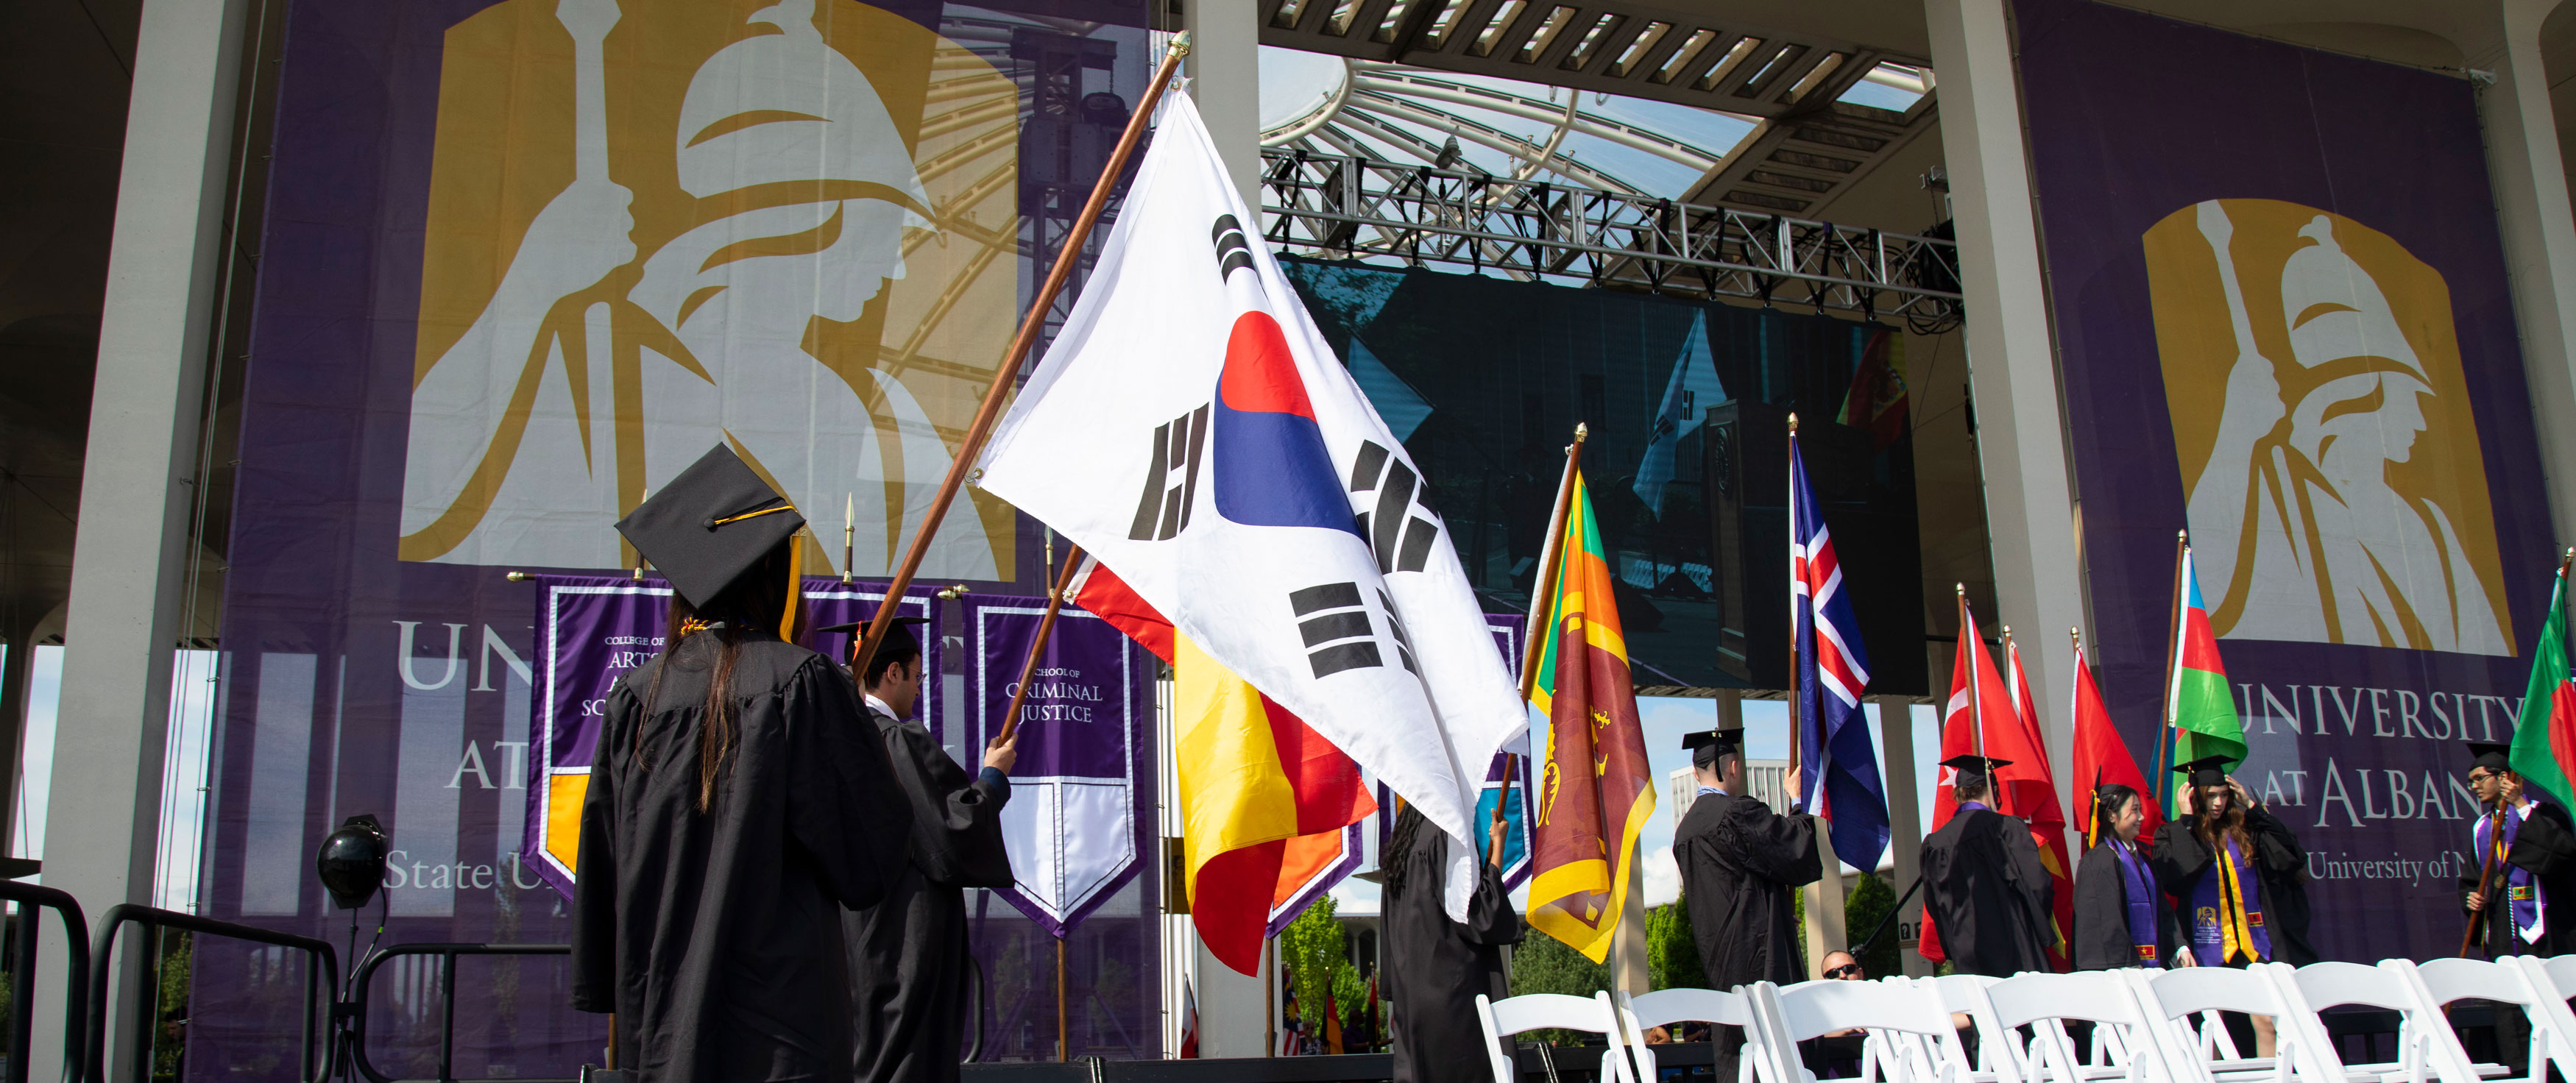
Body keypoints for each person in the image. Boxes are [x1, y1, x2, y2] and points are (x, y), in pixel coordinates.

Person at [571, 443, 915, 1083]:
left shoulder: (636, 698)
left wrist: (615, 987)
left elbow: (602, 859)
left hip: (662, 1026)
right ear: (771, 578)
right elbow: (869, 860)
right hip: (783, 1033)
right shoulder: (802, 683)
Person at [822, 613, 1019, 1083]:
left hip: (850, 932)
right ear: (892, 672)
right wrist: (992, 779)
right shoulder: (892, 738)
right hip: (903, 931)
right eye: (916, 676)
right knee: (906, 1057)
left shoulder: (833, 740)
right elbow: (949, 829)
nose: (917, 688)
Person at [1677, 726, 1818, 1082]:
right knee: (1778, 1049)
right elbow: (1792, 851)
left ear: (1695, 773)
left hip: (1720, 959)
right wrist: (1798, 802)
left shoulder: (1685, 831)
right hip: (1761, 954)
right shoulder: (1736, 812)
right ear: (1735, 767)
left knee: (1738, 1054)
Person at [2151, 756, 2306, 1057]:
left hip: (2254, 944)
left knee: (2266, 1020)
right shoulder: (2174, 834)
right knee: (2212, 1027)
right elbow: (2176, 879)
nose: (2219, 802)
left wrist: (2253, 809)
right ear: (2195, 796)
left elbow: (2291, 859)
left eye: (2224, 794)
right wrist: (2186, 822)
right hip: (2206, 945)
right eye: (2211, 796)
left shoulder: (2245, 831)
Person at [1382, 800, 1520, 1083]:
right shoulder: (1446, 835)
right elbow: (1480, 914)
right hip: (1455, 1001)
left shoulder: (1401, 843)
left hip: (1412, 1002)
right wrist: (1498, 847)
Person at [2460, 741, 2576, 1074]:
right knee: (2514, 1016)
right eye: (2471, 781)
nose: (2475, 786)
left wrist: (2521, 806)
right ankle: (2524, 1072)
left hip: (2548, 931)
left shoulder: (2544, 814)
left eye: (2480, 778)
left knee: (2559, 1007)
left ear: (2506, 777)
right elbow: (2472, 880)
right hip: (2504, 936)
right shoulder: (2482, 828)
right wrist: (2473, 901)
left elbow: (2559, 856)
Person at [1919, 755, 2054, 977]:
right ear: (1992, 788)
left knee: (1981, 1010)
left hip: (1967, 953)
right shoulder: (2006, 828)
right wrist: (2036, 925)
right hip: (2015, 944)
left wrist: (1955, 945)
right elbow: (2038, 885)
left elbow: (1935, 905)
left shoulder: (1935, 843)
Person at [2073, 783, 2179, 971]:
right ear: (2112, 815)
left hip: (2149, 969)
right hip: (2120, 971)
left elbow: (2162, 908)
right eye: (2135, 810)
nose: (2142, 817)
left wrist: (2179, 947)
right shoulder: (2099, 861)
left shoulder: (2143, 860)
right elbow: (2105, 922)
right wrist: (2127, 964)